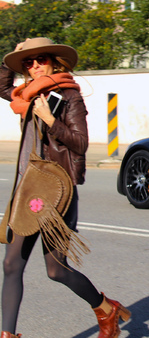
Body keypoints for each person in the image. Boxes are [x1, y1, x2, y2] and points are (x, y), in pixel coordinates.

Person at [0, 38, 130, 338]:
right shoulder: (26, 96)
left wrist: (49, 121)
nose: (34, 67)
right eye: (28, 63)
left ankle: (106, 309)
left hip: (55, 191)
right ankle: (8, 335)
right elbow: (3, 86)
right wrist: (13, 54)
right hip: (27, 188)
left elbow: (80, 143)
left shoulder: (68, 96)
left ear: (55, 62)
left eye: (40, 60)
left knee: (56, 270)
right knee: (10, 265)